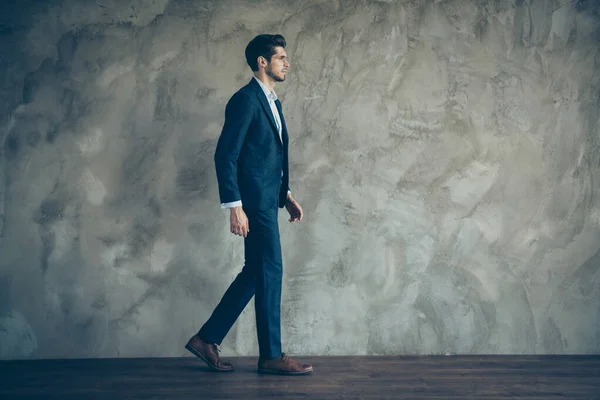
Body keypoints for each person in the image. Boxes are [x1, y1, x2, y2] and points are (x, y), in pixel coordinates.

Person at [184, 34, 313, 376]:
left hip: (268, 200)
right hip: (252, 204)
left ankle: (206, 339)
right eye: (281, 57)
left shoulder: (273, 102)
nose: (287, 63)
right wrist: (234, 207)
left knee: (255, 273)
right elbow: (227, 155)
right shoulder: (245, 100)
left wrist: (285, 196)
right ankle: (271, 356)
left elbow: (265, 159)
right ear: (262, 61)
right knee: (270, 270)